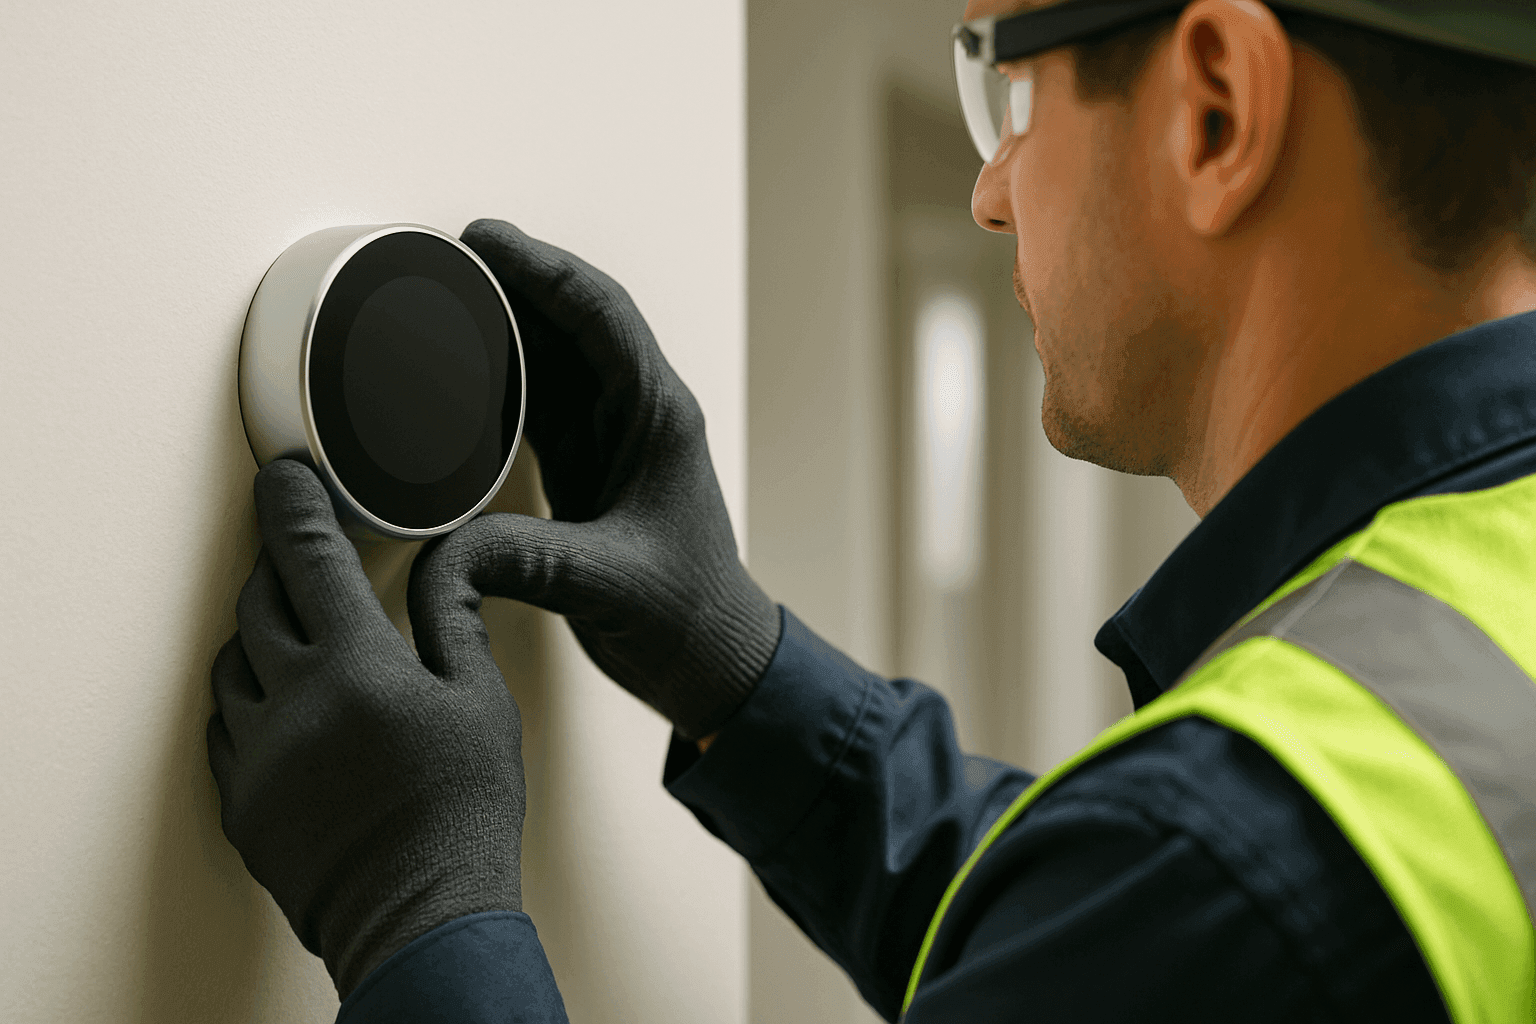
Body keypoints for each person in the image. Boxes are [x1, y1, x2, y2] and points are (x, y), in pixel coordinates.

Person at [206, 0, 1536, 1020]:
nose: (991, 187)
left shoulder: (1231, 867)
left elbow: (1170, 907)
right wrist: (743, 670)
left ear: (1216, 110)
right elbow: (1103, 927)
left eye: (1008, 82)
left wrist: (424, 918)